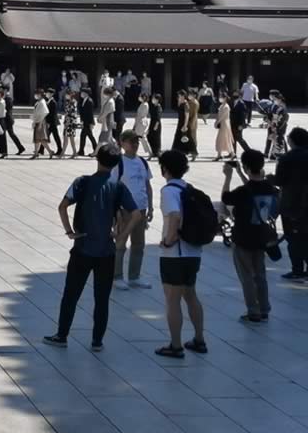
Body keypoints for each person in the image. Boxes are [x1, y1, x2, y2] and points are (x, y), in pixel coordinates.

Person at [43, 145, 140, 352]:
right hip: (106, 251)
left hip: (82, 248)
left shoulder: (82, 182)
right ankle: (97, 341)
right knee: (102, 298)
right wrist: (121, 237)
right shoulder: (118, 186)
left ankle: (62, 335)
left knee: (71, 294)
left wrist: (70, 231)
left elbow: (62, 206)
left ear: (98, 159)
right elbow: (136, 214)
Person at [155, 150, 209, 358]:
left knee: (172, 299)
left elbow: (175, 216)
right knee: (191, 295)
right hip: (193, 252)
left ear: (165, 169)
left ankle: (175, 345)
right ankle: (199, 339)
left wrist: (168, 241)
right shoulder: (190, 189)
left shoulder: (169, 191)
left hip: (175, 255)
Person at [221, 149, 278, 322]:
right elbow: (254, 188)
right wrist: (240, 171)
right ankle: (264, 308)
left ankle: (253, 310)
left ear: (246, 167)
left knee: (246, 276)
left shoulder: (242, 191)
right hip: (261, 236)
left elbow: (226, 198)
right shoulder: (271, 189)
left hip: (243, 237)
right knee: (260, 274)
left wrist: (228, 176)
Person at [109, 131, 154, 290]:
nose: (134, 145)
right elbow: (112, 188)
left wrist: (150, 206)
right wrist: (116, 212)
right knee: (121, 242)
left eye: (136, 142)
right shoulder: (118, 163)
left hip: (141, 209)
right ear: (122, 143)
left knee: (139, 244)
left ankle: (134, 276)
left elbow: (147, 185)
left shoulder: (142, 161)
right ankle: (117, 276)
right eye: (131, 141)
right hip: (125, 210)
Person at [273, 126, 308, 280]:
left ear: (292, 141)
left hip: (292, 203)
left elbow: (280, 180)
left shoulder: (287, 158)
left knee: (293, 238)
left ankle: (297, 268)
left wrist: (269, 178)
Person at [2, 90, 26, 155]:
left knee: (11, 134)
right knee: (1, 134)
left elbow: (7, 109)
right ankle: (1, 149)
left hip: (8, 119)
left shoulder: (8, 99)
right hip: (5, 118)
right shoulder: (4, 98)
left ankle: (20, 147)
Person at [176, 89, 198, 160]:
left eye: (180, 95)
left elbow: (187, 115)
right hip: (180, 122)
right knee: (179, 138)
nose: (179, 96)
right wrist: (179, 101)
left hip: (185, 123)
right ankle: (179, 152)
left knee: (189, 139)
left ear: (183, 96)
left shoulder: (186, 104)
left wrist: (185, 125)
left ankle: (194, 153)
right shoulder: (181, 102)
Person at [266, 90, 289, 160]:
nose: (276, 101)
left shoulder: (282, 107)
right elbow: (271, 114)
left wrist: (276, 126)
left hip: (280, 125)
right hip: (273, 124)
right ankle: (273, 154)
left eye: (277, 99)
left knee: (279, 140)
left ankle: (279, 155)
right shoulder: (275, 106)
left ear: (280, 99)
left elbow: (283, 118)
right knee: (275, 139)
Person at [214, 90, 236, 161]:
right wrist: (216, 121)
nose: (220, 98)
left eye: (221, 97)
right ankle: (220, 155)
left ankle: (231, 154)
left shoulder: (226, 106)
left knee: (225, 139)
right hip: (223, 124)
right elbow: (219, 115)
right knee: (221, 139)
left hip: (225, 124)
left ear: (225, 98)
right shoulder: (221, 106)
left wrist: (217, 122)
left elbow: (222, 116)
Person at [30, 90, 52, 159]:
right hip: (38, 121)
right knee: (38, 139)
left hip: (40, 122)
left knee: (41, 139)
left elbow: (45, 113)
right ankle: (36, 153)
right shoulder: (39, 102)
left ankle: (49, 151)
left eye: (37, 94)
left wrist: (39, 123)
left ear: (40, 94)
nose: (36, 95)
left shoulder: (42, 102)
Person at [77, 87, 97, 156]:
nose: (81, 94)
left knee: (89, 136)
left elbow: (90, 114)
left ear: (86, 94)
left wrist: (92, 123)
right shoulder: (83, 100)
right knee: (84, 136)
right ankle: (81, 151)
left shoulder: (89, 101)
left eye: (82, 93)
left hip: (88, 122)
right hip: (85, 122)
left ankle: (95, 150)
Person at [133, 92, 152, 157]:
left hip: (141, 122)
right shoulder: (142, 104)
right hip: (139, 122)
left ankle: (149, 152)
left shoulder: (145, 105)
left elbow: (141, 115)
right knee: (139, 138)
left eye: (140, 96)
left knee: (141, 137)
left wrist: (136, 123)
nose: (139, 98)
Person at [62, 89, 80, 157]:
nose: (66, 96)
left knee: (67, 137)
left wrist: (68, 122)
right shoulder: (68, 102)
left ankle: (63, 153)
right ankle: (74, 152)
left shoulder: (73, 102)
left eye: (67, 94)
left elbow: (72, 114)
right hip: (68, 121)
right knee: (69, 137)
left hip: (70, 122)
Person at [45, 88, 63, 156]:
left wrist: (49, 122)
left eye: (48, 93)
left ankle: (60, 149)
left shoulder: (53, 102)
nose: (47, 94)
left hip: (52, 122)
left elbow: (52, 114)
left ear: (51, 94)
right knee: (47, 136)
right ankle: (41, 149)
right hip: (51, 122)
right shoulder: (49, 101)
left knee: (54, 136)